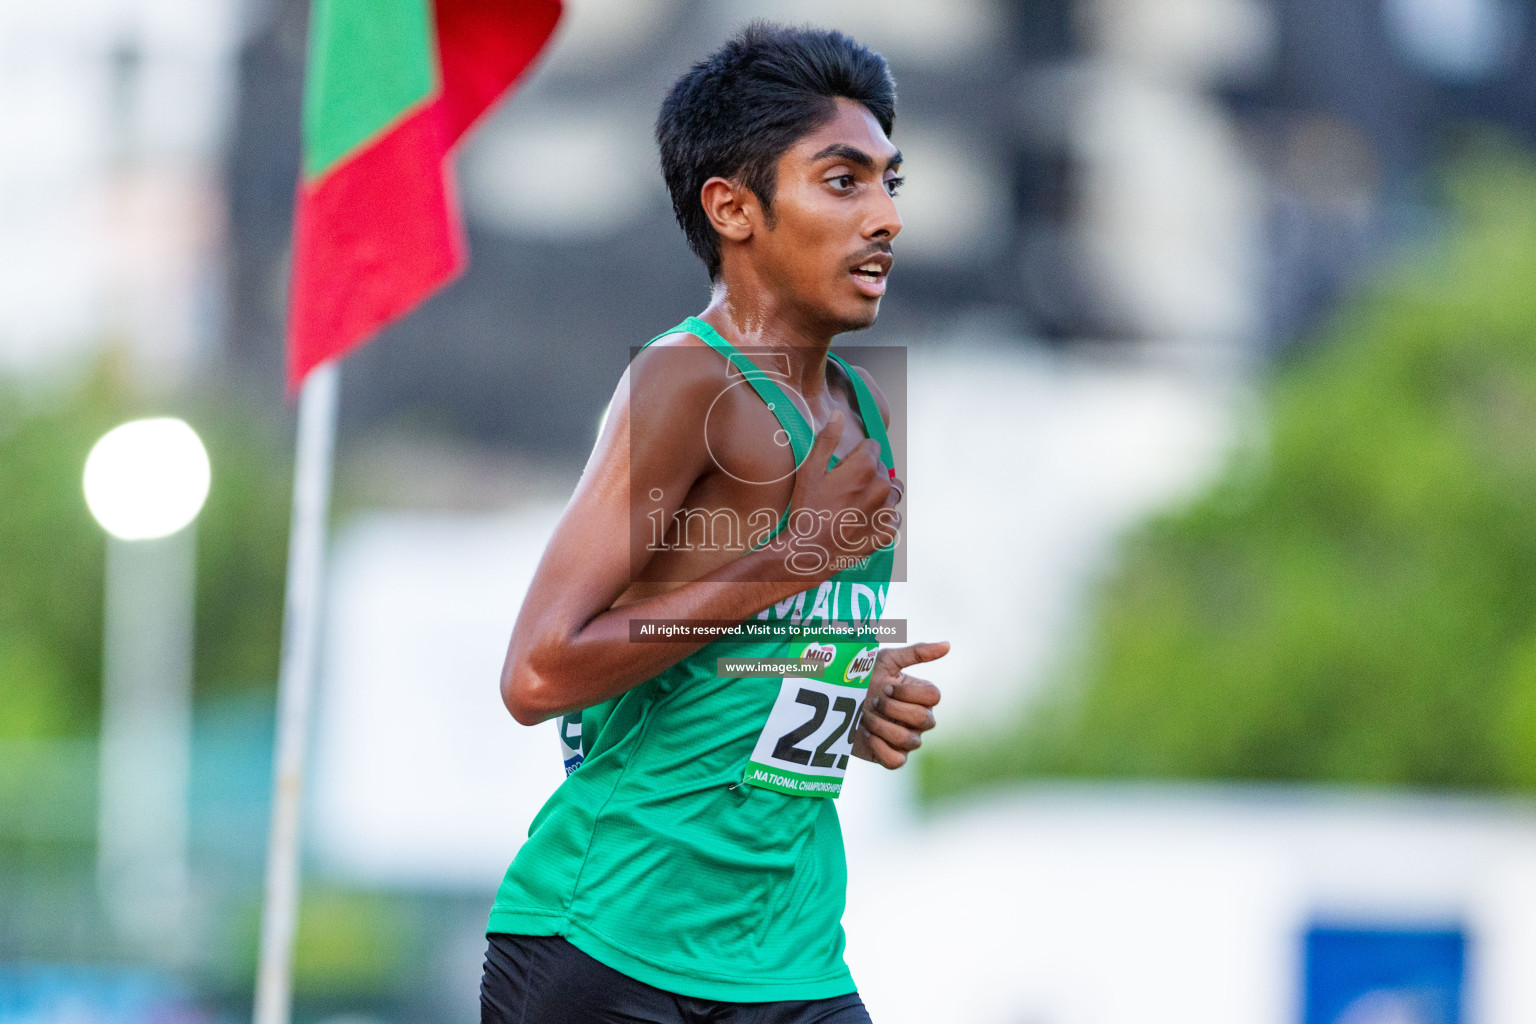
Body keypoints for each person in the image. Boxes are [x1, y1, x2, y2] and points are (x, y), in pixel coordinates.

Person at [480, 22, 950, 1024]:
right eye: (843, 181)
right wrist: (785, 562)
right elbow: (539, 671)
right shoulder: (689, 379)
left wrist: (851, 703)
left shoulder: (869, 415)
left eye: (889, 183)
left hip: (788, 950)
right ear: (734, 208)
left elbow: (753, 676)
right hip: (616, 944)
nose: (885, 218)